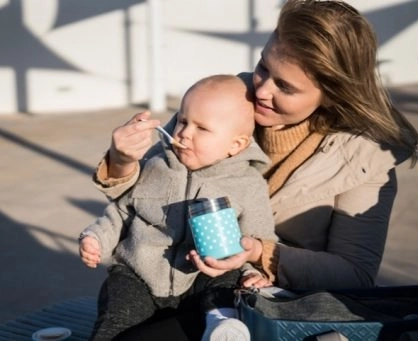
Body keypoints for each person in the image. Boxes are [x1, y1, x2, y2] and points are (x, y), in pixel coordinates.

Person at [88, 0, 418, 339]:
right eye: (263, 67)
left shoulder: (366, 158)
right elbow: (147, 189)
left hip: (272, 298)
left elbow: (355, 274)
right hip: (171, 277)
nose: (261, 90)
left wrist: (259, 252)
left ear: (333, 95)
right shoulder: (223, 100)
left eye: (285, 87)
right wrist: (121, 160)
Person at [79, 74, 277, 340]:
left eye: (202, 128)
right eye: (183, 121)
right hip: (140, 274)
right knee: (117, 310)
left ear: (236, 144)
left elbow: (258, 238)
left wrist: (255, 272)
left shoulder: (248, 183)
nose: (184, 133)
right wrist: (96, 238)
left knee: (224, 285)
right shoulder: (156, 165)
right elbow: (122, 211)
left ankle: (223, 325)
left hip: (203, 275)